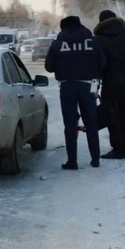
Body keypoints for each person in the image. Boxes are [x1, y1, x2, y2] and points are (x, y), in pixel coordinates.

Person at [45, 15, 106, 170]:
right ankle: (95, 159)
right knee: (91, 122)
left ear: (63, 27)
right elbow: (103, 62)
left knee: (70, 124)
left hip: (67, 86)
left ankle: (72, 161)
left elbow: (49, 67)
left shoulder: (58, 44)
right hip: (89, 85)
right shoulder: (93, 42)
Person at [94, 9, 125, 159]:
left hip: (110, 82)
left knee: (111, 113)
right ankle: (122, 145)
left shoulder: (99, 38)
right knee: (123, 113)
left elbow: (98, 61)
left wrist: (101, 76)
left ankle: (118, 148)